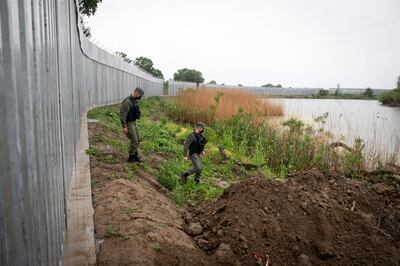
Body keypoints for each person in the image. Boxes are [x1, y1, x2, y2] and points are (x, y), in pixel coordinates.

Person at [119, 87, 144, 163]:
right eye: (140, 95)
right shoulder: (127, 101)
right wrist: (124, 127)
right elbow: (122, 115)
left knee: (138, 140)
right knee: (134, 141)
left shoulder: (134, 100)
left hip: (133, 123)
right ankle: (131, 158)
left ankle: (135, 156)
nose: (140, 97)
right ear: (136, 93)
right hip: (128, 124)